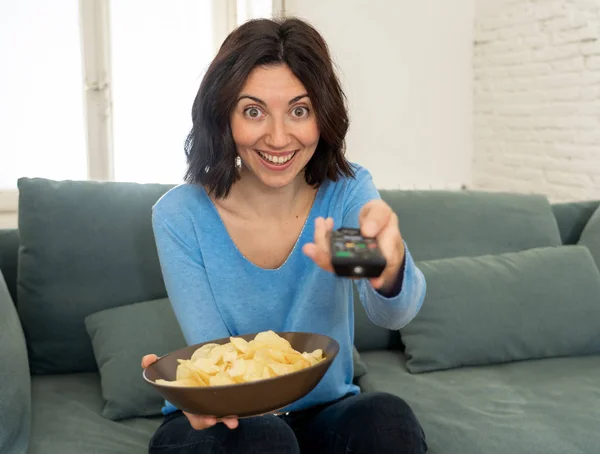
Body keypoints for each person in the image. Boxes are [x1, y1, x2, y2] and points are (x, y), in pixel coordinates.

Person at [142, 16, 427, 454]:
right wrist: (192, 392)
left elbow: (393, 314)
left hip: (323, 413)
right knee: (265, 439)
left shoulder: (344, 196)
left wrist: (385, 267)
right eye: (253, 111)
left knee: (386, 418)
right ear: (224, 118)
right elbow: (216, 357)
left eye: (299, 110)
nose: (278, 138)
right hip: (222, 419)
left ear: (322, 115)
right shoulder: (182, 216)